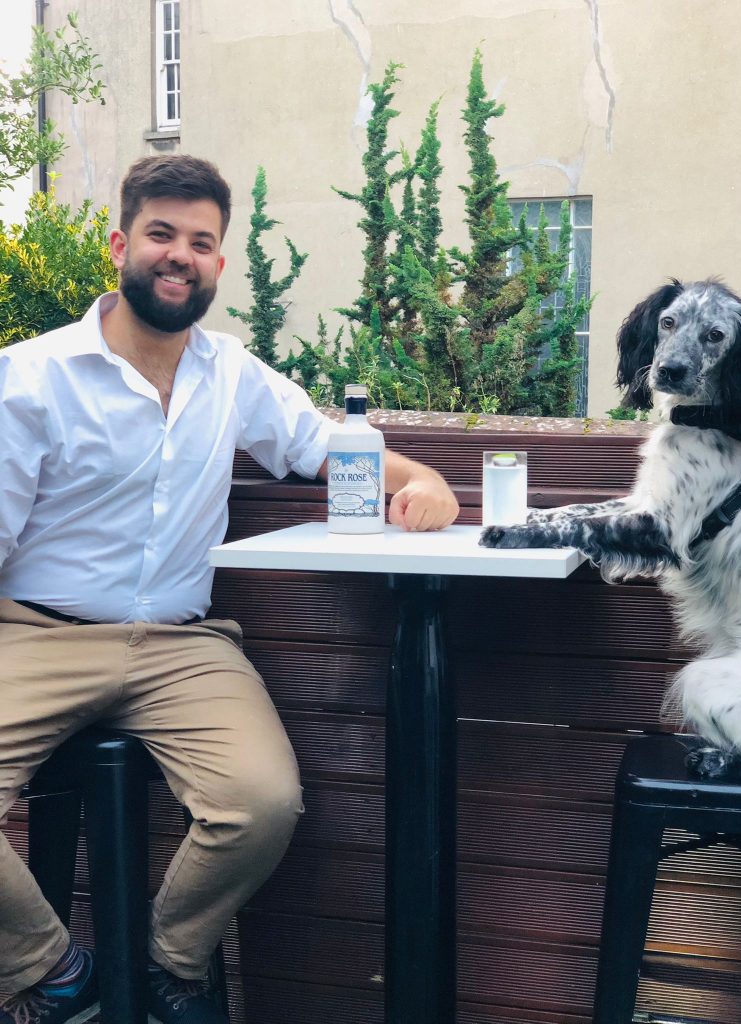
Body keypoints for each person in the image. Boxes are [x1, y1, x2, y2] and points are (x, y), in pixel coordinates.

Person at [0, 154, 459, 1024]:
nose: (180, 255)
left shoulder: (231, 372)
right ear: (120, 245)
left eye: (201, 242)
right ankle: (55, 974)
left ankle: (167, 960)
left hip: (181, 644)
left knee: (261, 803)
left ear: (220, 263)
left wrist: (425, 474)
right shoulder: (28, 377)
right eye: (161, 234)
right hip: (34, 635)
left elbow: (330, 445)